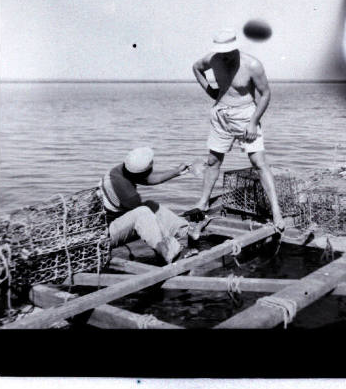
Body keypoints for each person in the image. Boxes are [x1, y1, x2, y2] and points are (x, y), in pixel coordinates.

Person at [192, 29, 284, 230]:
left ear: (235, 48)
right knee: (213, 161)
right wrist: (210, 90)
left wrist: (253, 122)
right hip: (220, 115)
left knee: (258, 162)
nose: (223, 56)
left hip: (245, 116)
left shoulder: (252, 65)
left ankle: (276, 211)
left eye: (227, 52)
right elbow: (196, 67)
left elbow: (266, 94)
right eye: (220, 52)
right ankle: (203, 202)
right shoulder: (212, 59)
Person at [96, 146, 192, 265]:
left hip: (106, 224)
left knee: (149, 205)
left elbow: (149, 179)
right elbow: (144, 220)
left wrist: (176, 172)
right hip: (103, 236)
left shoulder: (119, 171)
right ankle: (171, 253)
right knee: (143, 213)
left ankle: (185, 231)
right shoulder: (128, 194)